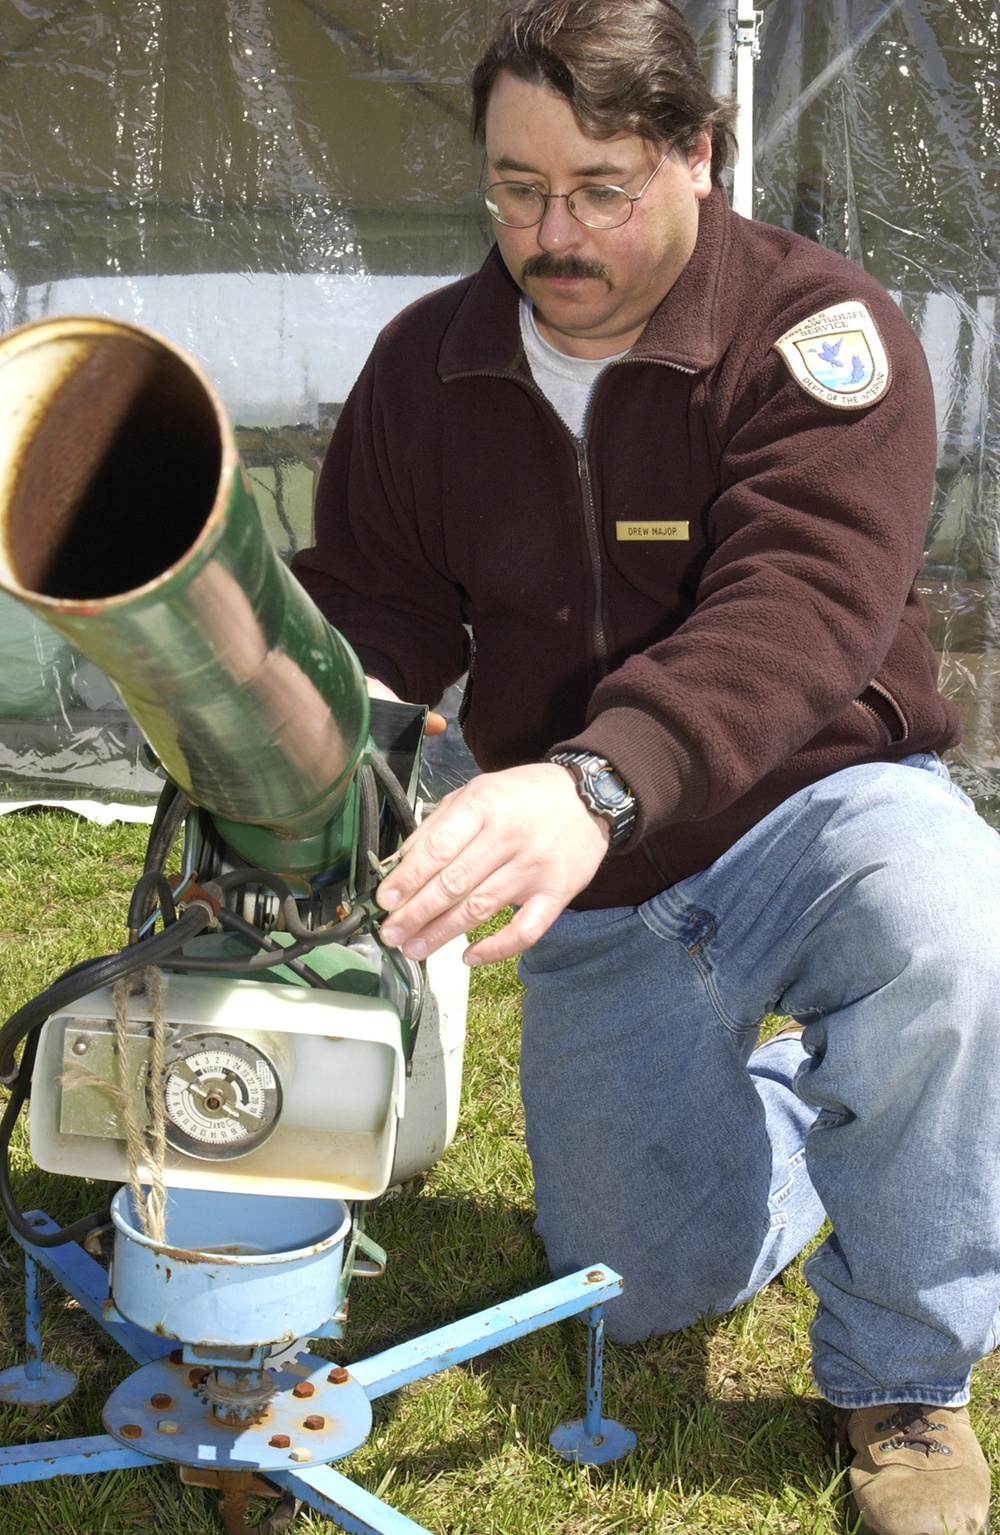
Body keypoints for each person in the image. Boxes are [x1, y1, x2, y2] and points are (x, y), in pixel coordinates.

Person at [291, 3, 1000, 1530]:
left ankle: (903, 1382)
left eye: (601, 186)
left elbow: (803, 600)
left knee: (960, 933)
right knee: (629, 1292)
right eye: (515, 186)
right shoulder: (427, 366)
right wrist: (315, 727)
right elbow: (378, 603)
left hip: (816, 807)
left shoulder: (822, 331)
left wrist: (593, 781)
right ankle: (830, 1110)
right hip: (600, 874)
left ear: (699, 156)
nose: (552, 232)